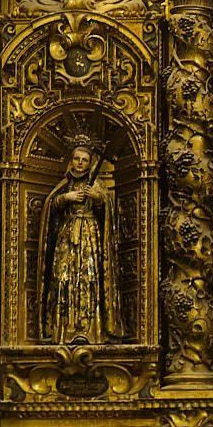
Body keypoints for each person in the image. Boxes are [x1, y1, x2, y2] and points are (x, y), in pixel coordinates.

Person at [40, 137, 125, 344]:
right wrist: (64, 199)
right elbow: (49, 208)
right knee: (63, 277)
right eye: (76, 158)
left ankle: (89, 330)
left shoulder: (97, 185)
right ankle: (63, 330)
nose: (80, 163)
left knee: (89, 278)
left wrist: (99, 198)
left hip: (89, 236)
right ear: (71, 161)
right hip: (67, 236)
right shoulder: (64, 185)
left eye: (84, 160)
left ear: (90, 163)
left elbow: (111, 214)